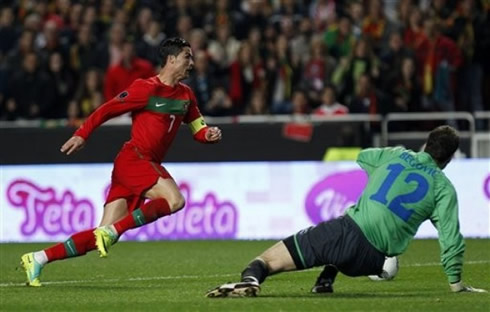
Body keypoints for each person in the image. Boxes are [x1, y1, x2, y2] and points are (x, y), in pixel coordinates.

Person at [20, 37, 222, 287]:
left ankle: (38, 258)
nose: (192, 63)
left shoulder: (186, 96)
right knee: (175, 200)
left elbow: (198, 129)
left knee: (99, 236)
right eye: (187, 57)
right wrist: (82, 134)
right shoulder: (145, 89)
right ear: (171, 59)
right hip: (135, 159)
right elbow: (106, 109)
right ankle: (114, 231)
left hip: (141, 164)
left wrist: (209, 135)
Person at [206, 125, 486, 298]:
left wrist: (384, 165)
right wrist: (456, 285)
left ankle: (249, 282)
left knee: (262, 262)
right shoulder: (444, 188)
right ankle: (325, 282)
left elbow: (363, 156)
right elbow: (451, 240)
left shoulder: (395, 154)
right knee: (377, 257)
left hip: (344, 234)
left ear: (426, 144)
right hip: (372, 261)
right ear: (448, 159)